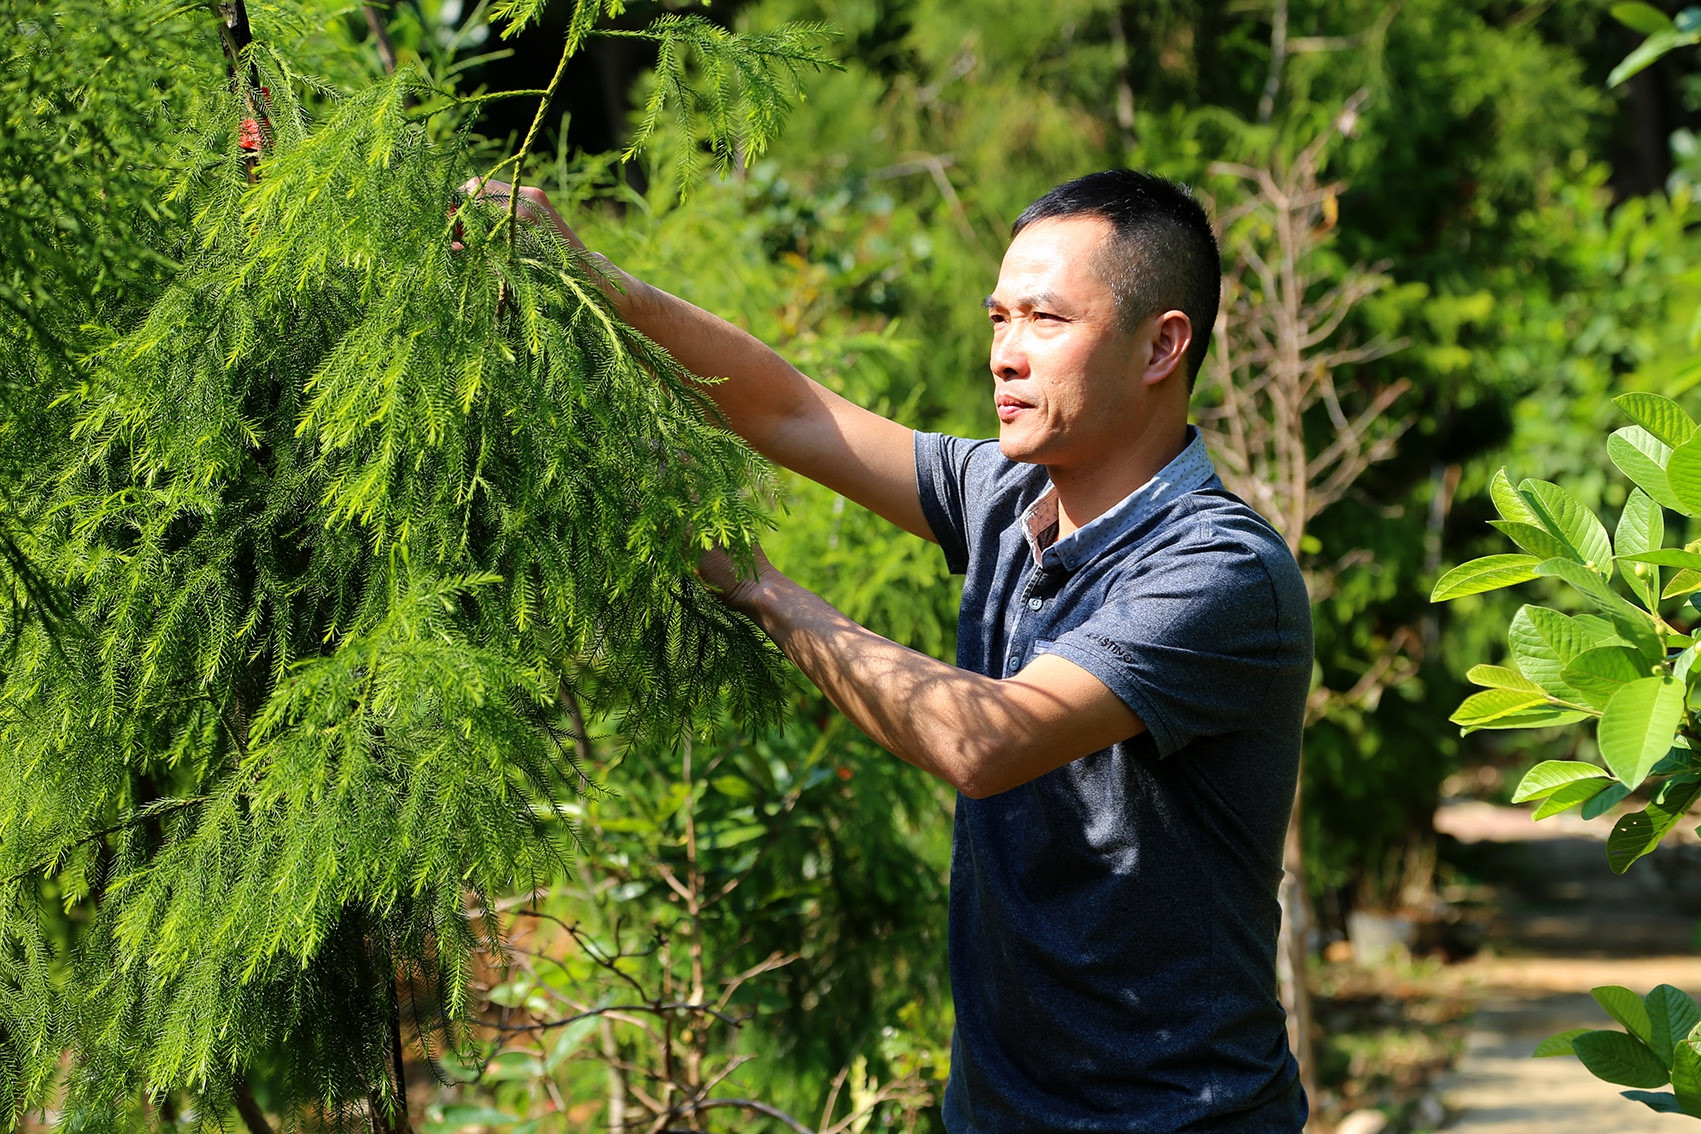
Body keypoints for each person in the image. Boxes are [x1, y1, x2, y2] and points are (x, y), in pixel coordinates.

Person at [481, 169, 1312, 1132]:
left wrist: (762, 589)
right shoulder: (1007, 497)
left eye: (1044, 321)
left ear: (1162, 343)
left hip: (1178, 1119)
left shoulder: (1217, 570)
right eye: (998, 318)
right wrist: (586, 275)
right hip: (997, 1113)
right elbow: (789, 409)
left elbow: (987, 742)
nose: (1003, 354)